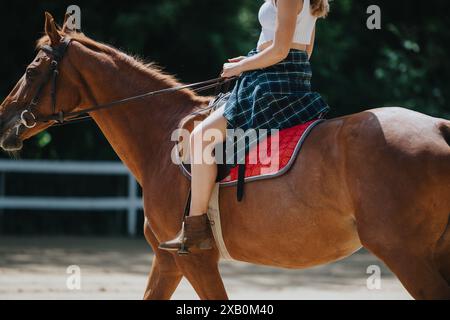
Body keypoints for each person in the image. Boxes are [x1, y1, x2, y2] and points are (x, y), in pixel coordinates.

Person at [159, 0, 331, 253]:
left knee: (199, 138)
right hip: (283, 75)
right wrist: (252, 61)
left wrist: (241, 67)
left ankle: (195, 229)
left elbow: (280, 51)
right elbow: (303, 52)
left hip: (271, 80)